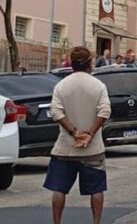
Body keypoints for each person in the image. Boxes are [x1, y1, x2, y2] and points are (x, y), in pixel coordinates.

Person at [44, 47, 111, 224]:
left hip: (65, 148)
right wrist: (89, 134)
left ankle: (56, 222)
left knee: (59, 189)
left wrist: (74, 132)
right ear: (90, 63)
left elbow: (56, 112)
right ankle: (96, 221)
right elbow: (105, 111)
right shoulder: (98, 86)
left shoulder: (61, 85)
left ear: (71, 63)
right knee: (97, 190)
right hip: (93, 148)